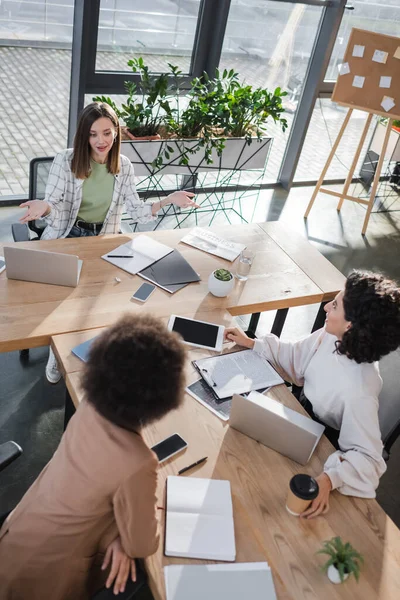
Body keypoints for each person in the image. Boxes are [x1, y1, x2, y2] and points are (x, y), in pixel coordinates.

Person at [0, 313, 186, 599]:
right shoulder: (138, 464)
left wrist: (117, 534)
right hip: (43, 581)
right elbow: (143, 544)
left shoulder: (89, 407)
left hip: (15, 538)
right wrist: (125, 537)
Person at [18, 101, 199, 384]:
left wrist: (168, 200)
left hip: (104, 239)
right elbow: (54, 202)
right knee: (66, 301)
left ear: (116, 131)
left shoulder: (123, 166)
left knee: (103, 301)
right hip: (68, 237)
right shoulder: (66, 160)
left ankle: (94, 350)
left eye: (106, 132)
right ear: (84, 135)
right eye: (92, 134)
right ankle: (58, 354)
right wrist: (45, 207)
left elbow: (137, 211)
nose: (100, 141)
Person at [224, 271, 400, 518]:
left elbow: (369, 461)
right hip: (296, 415)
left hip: (320, 446)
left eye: (335, 305)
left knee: (260, 492)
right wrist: (253, 343)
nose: (327, 306)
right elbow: (296, 355)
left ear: (350, 325)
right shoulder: (335, 337)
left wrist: (329, 479)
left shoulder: (360, 390)